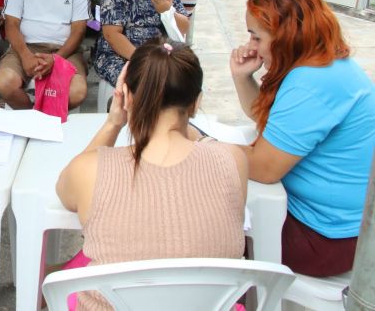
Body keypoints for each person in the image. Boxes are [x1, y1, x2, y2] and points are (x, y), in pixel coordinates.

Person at [57, 40, 247, 311]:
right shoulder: (233, 161)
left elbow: (65, 191)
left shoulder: (90, 170)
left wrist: (114, 122)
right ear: (195, 103)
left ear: (126, 96)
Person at [230, 0, 375, 277]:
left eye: (257, 37)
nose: (251, 47)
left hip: (325, 239)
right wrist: (242, 77)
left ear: (285, 35)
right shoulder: (321, 64)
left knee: (204, 220)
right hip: (337, 229)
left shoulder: (312, 81)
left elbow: (265, 168)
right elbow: (270, 124)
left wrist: (202, 146)